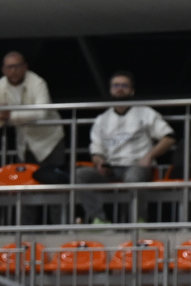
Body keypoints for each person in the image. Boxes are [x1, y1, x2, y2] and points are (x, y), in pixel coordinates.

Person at [76, 71, 175, 224]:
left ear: (132, 90)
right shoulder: (102, 119)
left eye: (124, 86)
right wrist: (100, 162)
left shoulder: (145, 112)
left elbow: (169, 138)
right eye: (116, 86)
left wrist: (149, 157)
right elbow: (96, 150)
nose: (119, 89)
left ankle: (137, 222)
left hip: (137, 166)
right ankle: (99, 221)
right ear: (110, 90)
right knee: (81, 175)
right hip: (111, 169)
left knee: (133, 177)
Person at [0, 51, 65, 169]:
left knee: (52, 177)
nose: (13, 71)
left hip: (49, 141)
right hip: (24, 144)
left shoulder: (38, 83)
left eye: (17, 66)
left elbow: (41, 113)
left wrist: (10, 116)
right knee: (25, 178)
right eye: (9, 67)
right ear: (3, 70)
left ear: (25, 67)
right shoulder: (1, 85)